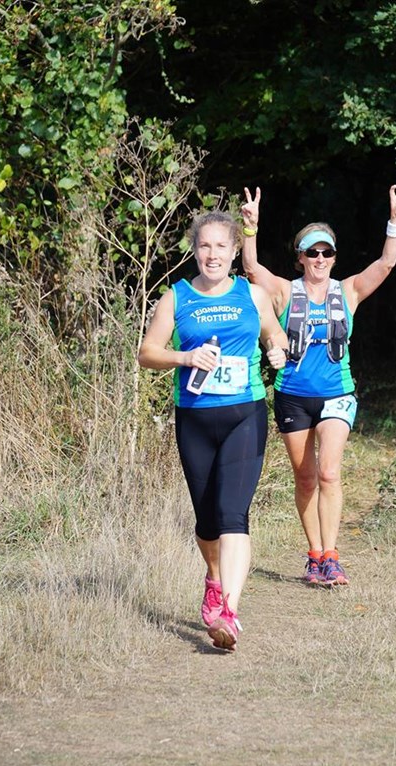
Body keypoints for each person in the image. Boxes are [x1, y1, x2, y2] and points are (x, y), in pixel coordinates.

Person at [240, 184, 396, 586]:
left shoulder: (346, 291)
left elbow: (385, 264)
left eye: (326, 252)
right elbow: (251, 269)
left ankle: (332, 556)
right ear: (300, 258)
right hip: (293, 396)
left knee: (330, 473)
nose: (320, 258)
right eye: (312, 252)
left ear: (334, 257)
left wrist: (395, 222)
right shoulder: (284, 291)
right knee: (306, 477)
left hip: (337, 393)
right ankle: (314, 555)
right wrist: (250, 228)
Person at [138, 210, 288, 651]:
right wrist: (185, 359)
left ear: (234, 251)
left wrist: (277, 351)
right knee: (206, 522)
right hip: (195, 419)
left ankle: (228, 612)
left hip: (245, 413)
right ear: (194, 249)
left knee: (233, 515)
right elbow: (148, 353)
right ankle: (213, 576)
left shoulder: (252, 294)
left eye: (221, 246)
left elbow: (274, 335)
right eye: (204, 246)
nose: (212, 254)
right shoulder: (177, 297)